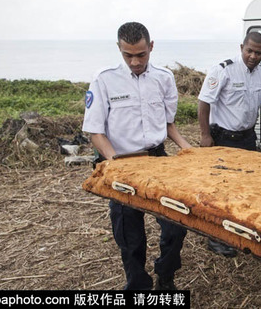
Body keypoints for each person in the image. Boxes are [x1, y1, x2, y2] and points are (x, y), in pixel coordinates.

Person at [82, 22, 192, 290]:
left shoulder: (164, 78)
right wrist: (114, 162)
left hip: (158, 161)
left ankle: (165, 278)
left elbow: (168, 125)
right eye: (127, 55)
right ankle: (137, 285)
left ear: (151, 47)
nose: (134, 61)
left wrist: (188, 149)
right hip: (122, 163)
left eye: (141, 54)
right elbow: (95, 130)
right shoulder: (104, 79)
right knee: (129, 235)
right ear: (119, 49)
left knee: (176, 225)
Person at [198, 31, 261, 256]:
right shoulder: (223, 70)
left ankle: (237, 233)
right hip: (223, 138)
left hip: (247, 139)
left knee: (245, 189)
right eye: (249, 51)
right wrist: (205, 136)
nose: (253, 56)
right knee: (221, 190)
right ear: (241, 47)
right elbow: (204, 102)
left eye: (258, 52)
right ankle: (216, 238)